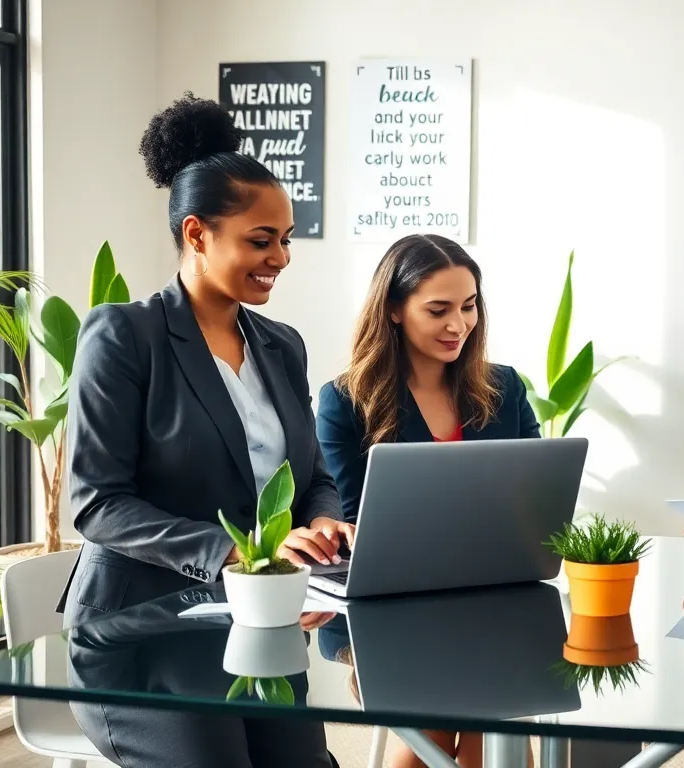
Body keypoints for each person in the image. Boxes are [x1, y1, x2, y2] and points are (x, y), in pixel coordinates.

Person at [60, 92, 351, 768]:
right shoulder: (125, 336)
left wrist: (325, 527)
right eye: (261, 239)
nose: (281, 255)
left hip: (257, 622)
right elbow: (96, 503)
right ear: (197, 234)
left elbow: (314, 479)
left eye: (285, 238)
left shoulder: (282, 346)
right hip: (141, 630)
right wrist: (246, 552)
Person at [315, 234, 538, 768]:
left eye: (468, 306)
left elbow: (537, 498)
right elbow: (349, 523)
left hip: (490, 606)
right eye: (438, 310)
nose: (459, 324)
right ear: (393, 309)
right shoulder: (347, 402)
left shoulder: (504, 389)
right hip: (386, 615)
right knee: (474, 703)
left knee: (489, 697)